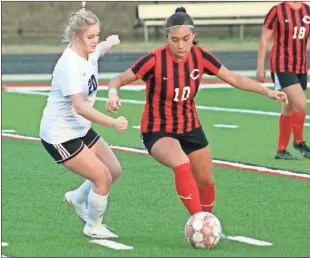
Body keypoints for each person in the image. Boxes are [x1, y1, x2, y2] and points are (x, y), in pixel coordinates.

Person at [105, 7, 288, 216]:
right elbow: (117, 80)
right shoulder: (154, 59)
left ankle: (207, 222)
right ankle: (199, 220)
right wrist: (112, 93)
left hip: (190, 126)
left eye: (186, 38)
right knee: (182, 165)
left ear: (194, 36)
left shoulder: (201, 57)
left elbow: (234, 78)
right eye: (174, 40)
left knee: (206, 181)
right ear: (167, 37)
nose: (181, 45)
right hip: (158, 130)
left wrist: (267, 92)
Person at [39, 3, 128, 239]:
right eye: (90, 36)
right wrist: (112, 123)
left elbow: (101, 49)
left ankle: (78, 198)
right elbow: (80, 107)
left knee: (114, 170)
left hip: (79, 129)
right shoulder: (69, 65)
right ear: (76, 36)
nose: (94, 40)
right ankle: (93, 226)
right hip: (60, 135)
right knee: (102, 177)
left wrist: (110, 42)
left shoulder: (89, 51)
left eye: (96, 35)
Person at [257, 1, 310, 160]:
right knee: (301, 104)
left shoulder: (307, 11)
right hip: (282, 65)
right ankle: (299, 142)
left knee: (288, 105)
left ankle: (281, 150)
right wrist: (260, 67)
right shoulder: (277, 11)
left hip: (301, 65)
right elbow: (264, 40)